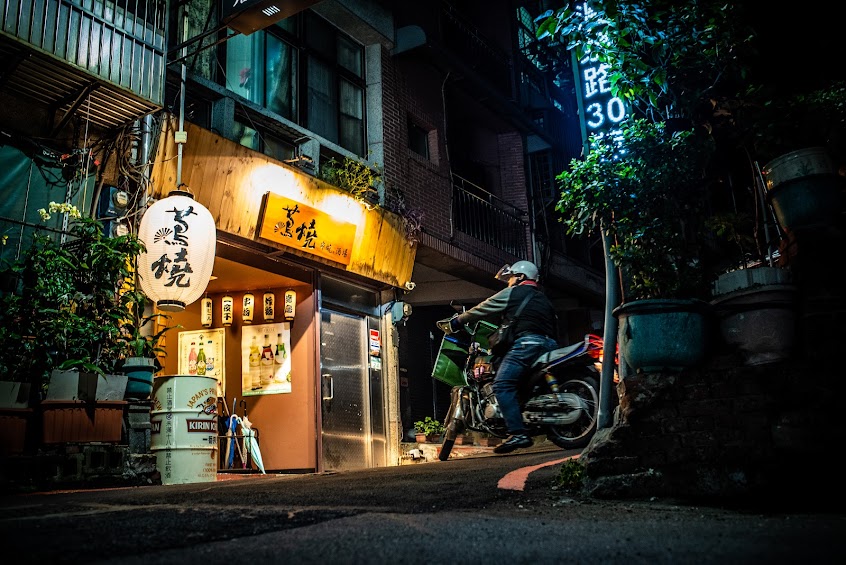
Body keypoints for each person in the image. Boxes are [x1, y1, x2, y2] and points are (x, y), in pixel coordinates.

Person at [437, 261, 558, 454]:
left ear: (520, 277)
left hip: (526, 345)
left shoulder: (513, 293)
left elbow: (483, 308)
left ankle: (518, 433)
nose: (508, 281)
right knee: (521, 384)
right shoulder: (544, 300)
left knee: (502, 385)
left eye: (510, 277)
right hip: (549, 346)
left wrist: (457, 322)